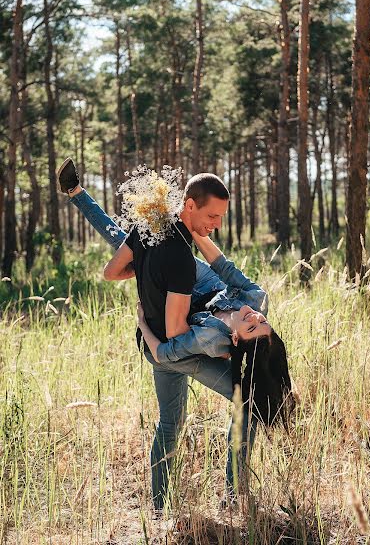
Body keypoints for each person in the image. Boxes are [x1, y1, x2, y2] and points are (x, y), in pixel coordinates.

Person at [57, 159, 293, 510]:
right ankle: (160, 506)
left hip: (176, 341)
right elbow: (224, 268)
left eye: (254, 324)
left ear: (238, 340)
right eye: (212, 216)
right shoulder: (253, 300)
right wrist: (195, 235)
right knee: (132, 240)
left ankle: (232, 495)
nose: (256, 315)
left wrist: (143, 326)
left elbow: (167, 348)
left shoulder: (212, 337)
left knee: (248, 405)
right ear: (191, 205)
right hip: (193, 298)